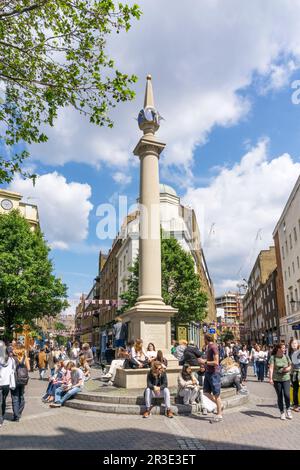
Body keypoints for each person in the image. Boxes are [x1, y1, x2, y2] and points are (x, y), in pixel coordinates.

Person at [199, 333, 223, 423]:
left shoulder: (213, 347)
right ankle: (220, 405)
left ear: (206, 339)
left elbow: (216, 362)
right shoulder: (208, 347)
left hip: (214, 373)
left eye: (204, 338)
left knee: (217, 394)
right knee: (205, 392)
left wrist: (204, 362)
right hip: (208, 372)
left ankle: (219, 414)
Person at [269, 343, 292, 420]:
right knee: (280, 396)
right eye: (283, 348)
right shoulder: (273, 357)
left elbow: (290, 365)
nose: (284, 349)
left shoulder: (286, 356)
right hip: (277, 380)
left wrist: (288, 369)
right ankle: (282, 412)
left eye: (285, 348)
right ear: (278, 349)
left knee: (287, 395)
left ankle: (288, 409)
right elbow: (271, 368)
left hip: (286, 378)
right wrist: (270, 378)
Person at [11, 343, 30, 422]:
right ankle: (18, 413)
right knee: (21, 396)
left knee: (15, 397)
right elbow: (28, 368)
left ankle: (16, 416)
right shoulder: (24, 356)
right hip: (23, 379)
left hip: (14, 379)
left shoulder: (12, 356)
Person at [0, 342, 16, 427]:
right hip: (6, 383)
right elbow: (14, 369)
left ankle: (0, 419)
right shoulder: (11, 360)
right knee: (3, 400)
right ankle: (1, 416)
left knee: (0, 401)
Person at [288, 339, 300, 412]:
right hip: (294, 373)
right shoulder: (290, 352)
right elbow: (291, 363)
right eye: (292, 343)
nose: (294, 344)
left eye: (295, 343)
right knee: (295, 389)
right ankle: (296, 404)